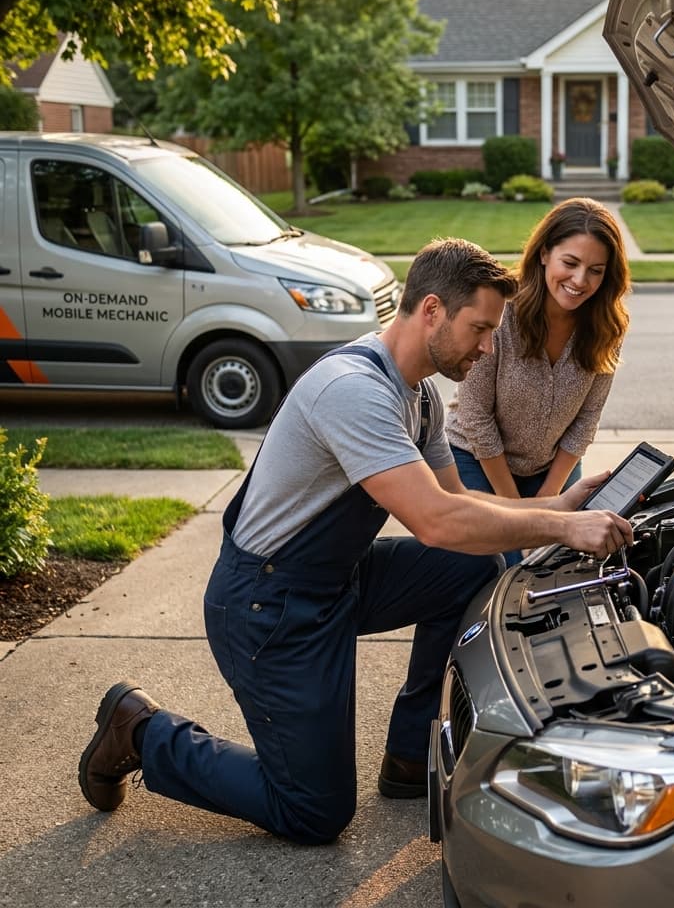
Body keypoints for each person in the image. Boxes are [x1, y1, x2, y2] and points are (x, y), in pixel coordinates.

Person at [77, 237, 632, 846]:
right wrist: (561, 528)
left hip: (335, 580)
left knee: (473, 565)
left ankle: (408, 752)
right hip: (268, 606)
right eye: (478, 328)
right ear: (430, 311)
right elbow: (436, 522)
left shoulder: (419, 397)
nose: (487, 345)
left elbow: (460, 503)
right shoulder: (354, 391)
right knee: (314, 812)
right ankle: (141, 730)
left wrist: (560, 504)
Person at [446, 197, 631, 564]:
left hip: (552, 467)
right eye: (570, 263)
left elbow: (585, 420)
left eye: (595, 270)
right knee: (497, 566)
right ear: (544, 253)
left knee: (562, 564)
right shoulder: (502, 312)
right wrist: (521, 511)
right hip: (476, 460)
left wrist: (551, 495)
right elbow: (476, 417)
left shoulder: (608, 326)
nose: (580, 281)